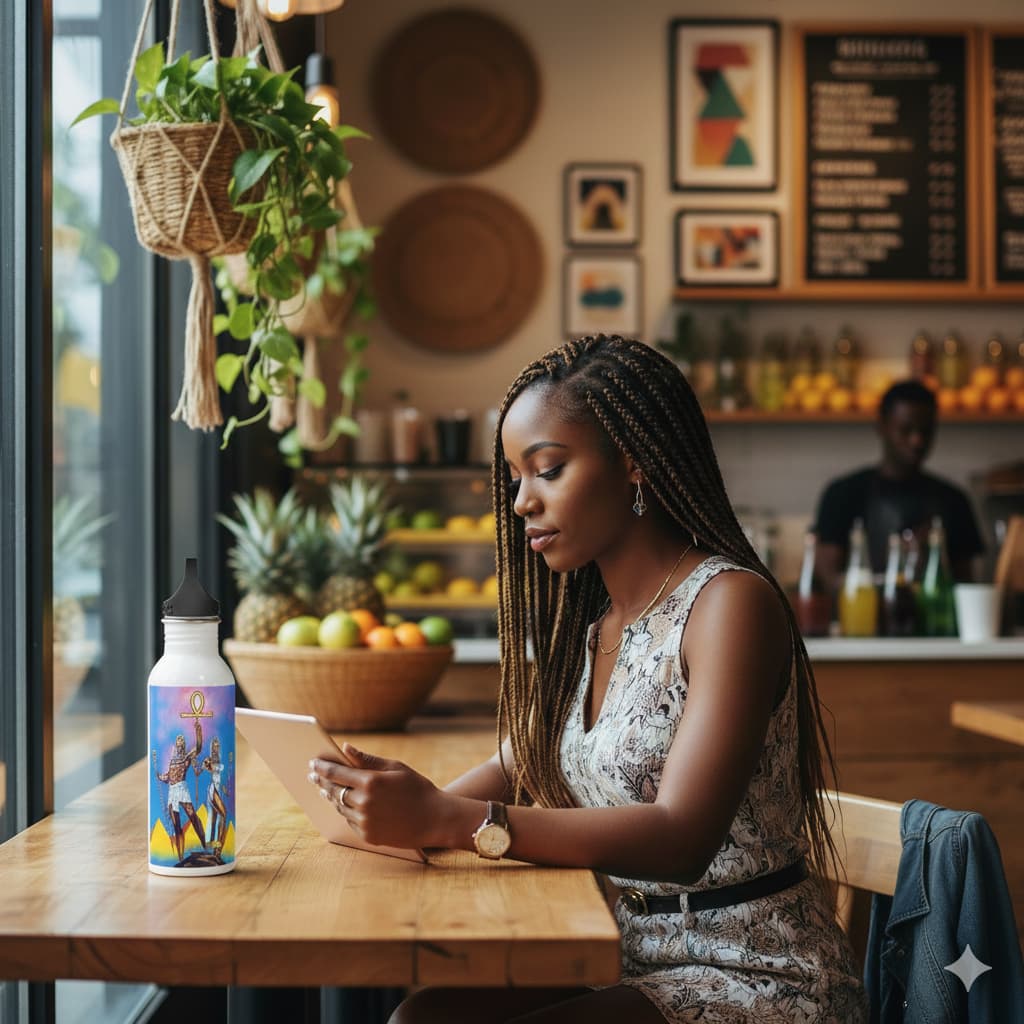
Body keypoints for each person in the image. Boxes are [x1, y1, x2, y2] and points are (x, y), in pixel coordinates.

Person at [308, 335, 867, 1023]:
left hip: (752, 978)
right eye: (514, 478)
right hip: (625, 955)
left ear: (632, 463)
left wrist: (455, 822)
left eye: (547, 470)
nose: (521, 502)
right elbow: (516, 764)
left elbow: (681, 837)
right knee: (421, 1018)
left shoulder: (729, 606)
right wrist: (395, 812)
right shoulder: (594, 625)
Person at [813, 379, 983, 592]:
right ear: (881, 427)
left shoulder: (955, 500)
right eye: (906, 430)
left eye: (926, 431)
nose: (917, 440)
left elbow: (965, 586)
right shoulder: (842, 495)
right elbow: (827, 578)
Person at [156, 719, 206, 863]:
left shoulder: (186, 757)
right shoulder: (172, 761)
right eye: (178, 739)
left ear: (183, 745)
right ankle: (180, 856)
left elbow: (198, 748)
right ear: (175, 744)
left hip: (182, 789)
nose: (180, 741)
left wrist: (198, 732)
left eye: (182, 740)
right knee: (176, 824)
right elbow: (167, 777)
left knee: (193, 817)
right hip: (172, 791)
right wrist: (158, 776)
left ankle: (204, 843)